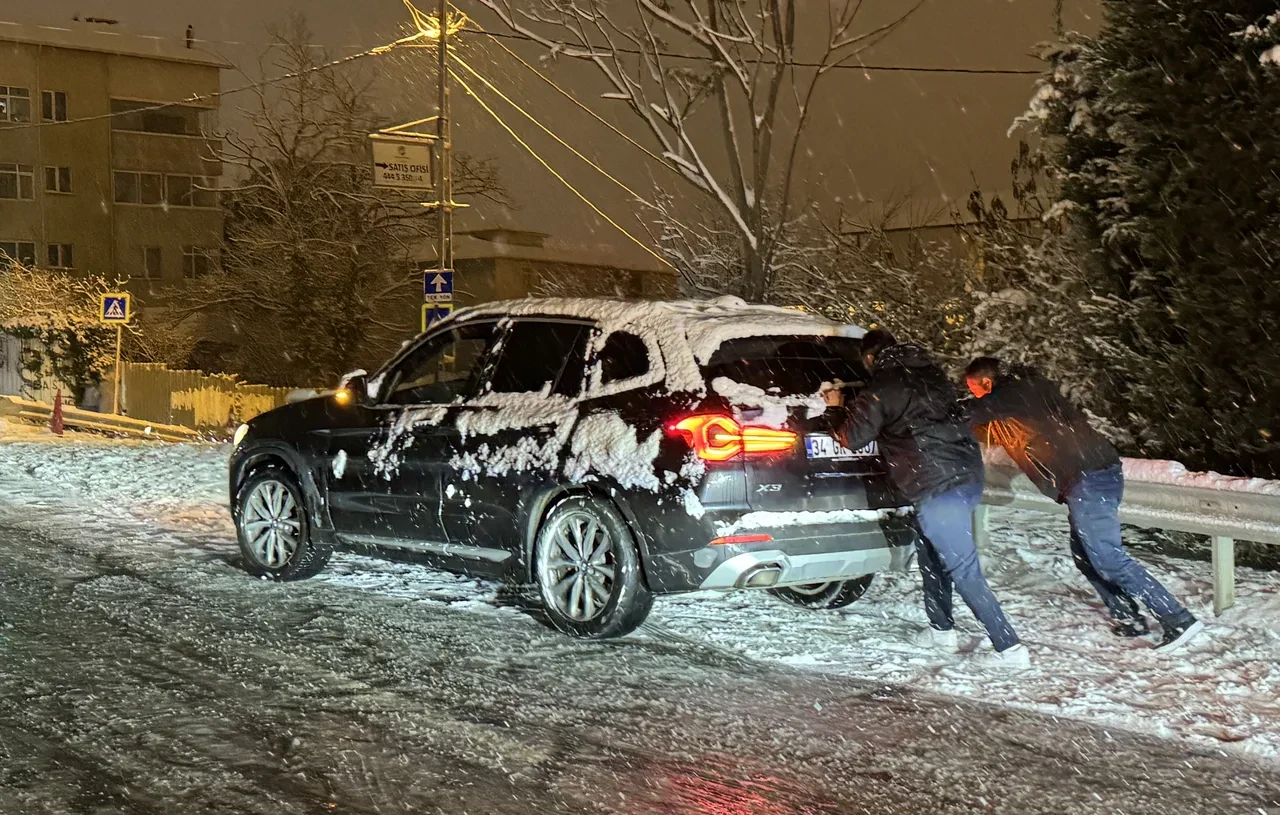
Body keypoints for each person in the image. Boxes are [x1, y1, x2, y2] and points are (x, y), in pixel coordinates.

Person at [815, 330, 1028, 668]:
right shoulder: (932, 374)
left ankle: (1010, 648)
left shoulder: (882, 387)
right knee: (931, 555)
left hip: (938, 485)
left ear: (870, 358)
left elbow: (851, 438)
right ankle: (941, 630)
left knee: (963, 569)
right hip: (965, 474)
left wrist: (835, 409)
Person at [963, 357, 1204, 651]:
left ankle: (1178, 618)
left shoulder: (1014, 394)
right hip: (1091, 475)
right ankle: (1128, 615)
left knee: (1108, 559)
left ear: (987, 383)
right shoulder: (1026, 395)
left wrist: (930, 410)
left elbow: (970, 413)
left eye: (973, 388)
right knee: (1086, 556)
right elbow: (982, 425)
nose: (974, 394)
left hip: (1088, 479)